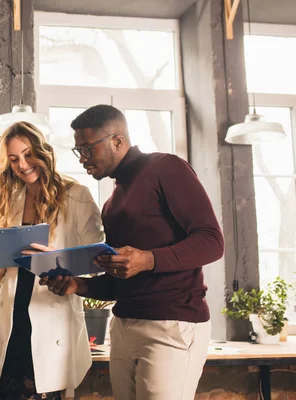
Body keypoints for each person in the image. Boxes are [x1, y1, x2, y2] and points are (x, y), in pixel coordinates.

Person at [41, 105, 225, 400]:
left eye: (88, 149)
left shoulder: (166, 167)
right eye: (79, 151)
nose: (83, 160)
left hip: (171, 325)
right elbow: (122, 277)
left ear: (117, 140)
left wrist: (147, 259)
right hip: (124, 326)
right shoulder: (112, 201)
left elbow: (212, 240)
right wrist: (80, 284)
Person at [0, 121, 104, 399]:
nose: (22, 165)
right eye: (13, 159)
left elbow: (97, 260)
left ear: (42, 152)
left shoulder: (77, 195)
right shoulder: (10, 197)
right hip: (13, 320)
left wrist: (55, 259)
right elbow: (2, 276)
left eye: (28, 154)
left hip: (52, 321)